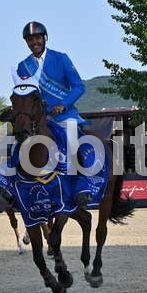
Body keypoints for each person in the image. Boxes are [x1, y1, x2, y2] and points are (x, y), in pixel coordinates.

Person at [15, 21, 91, 205]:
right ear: (26, 42)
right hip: (38, 119)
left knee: (72, 140)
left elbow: (79, 86)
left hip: (64, 115)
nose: (34, 42)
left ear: (44, 38)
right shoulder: (23, 66)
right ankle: (13, 185)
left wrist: (63, 104)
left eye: (37, 38)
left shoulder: (61, 58)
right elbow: (24, 95)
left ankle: (82, 186)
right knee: (17, 143)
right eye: (30, 39)